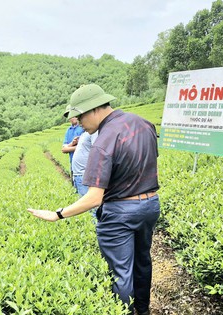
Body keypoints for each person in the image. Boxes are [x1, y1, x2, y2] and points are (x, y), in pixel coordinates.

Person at [28, 83, 160, 315]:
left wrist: (58, 214)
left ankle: (124, 312)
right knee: (142, 261)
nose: (78, 122)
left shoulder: (104, 140)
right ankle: (144, 310)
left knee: (121, 272)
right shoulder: (143, 123)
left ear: (93, 110)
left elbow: (94, 198)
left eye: (79, 116)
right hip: (150, 205)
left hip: (120, 212)